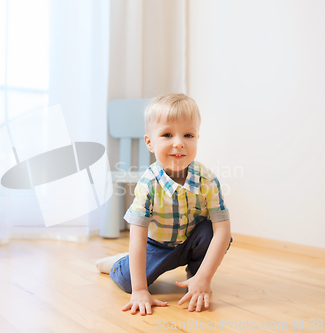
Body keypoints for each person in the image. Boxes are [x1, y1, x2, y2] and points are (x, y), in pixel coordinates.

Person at [96, 93, 232, 315]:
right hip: (157, 246)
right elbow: (138, 238)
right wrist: (140, 290)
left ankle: (196, 277)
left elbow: (223, 232)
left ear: (197, 137)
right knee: (129, 282)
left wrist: (204, 277)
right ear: (150, 143)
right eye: (167, 134)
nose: (178, 142)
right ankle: (118, 263)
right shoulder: (148, 183)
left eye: (188, 135)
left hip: (191, 242)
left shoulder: (207, 180)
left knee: (210, 230)